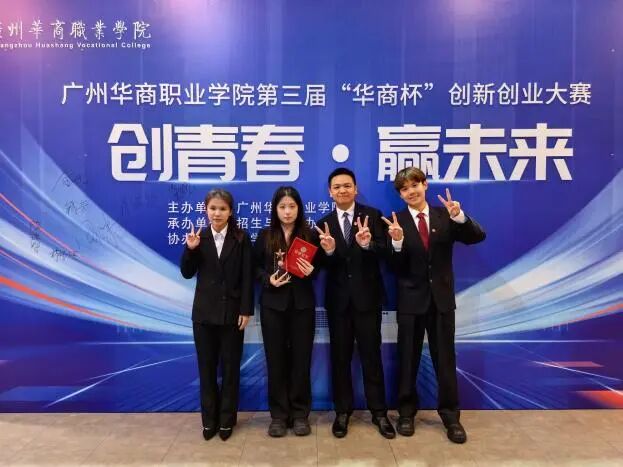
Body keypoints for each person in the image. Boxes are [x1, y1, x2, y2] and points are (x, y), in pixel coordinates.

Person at [383, 167, 486, 443]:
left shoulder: (445, 215)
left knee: (445, 360)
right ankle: (406, 414)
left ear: (425, 185)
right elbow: (393, 267)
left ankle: (451, 417)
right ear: (400, 194)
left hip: (441, 301)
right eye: (404, 189)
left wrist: (459, 216)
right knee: (407, 359)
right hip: (410, 302)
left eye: (414, 185)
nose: (410, 192)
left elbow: (477, 236)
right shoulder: (396, 221)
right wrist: (396, 242)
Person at [315, 167, 395, 439]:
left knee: (372, 357)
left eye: (347, 185)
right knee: (340, 359)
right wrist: (328, 252)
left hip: (368, 300)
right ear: (330, 192)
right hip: (338, 303)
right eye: (337, 187)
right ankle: (342, 412)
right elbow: (319, 265)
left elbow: (387, 253)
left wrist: (367, 245)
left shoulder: (372, 216)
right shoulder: (323, 223)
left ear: (356, 189)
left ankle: (379, 413)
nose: (342, 190)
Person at [180, 188, 254, 442]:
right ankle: (209, 421)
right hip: (203, 315)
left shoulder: (241, 238)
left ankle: (226, 420)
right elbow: (187, 273)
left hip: (232, 314)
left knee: (231, 369)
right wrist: (190, 250)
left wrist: (246, 309)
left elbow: (247, 277)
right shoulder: (198, 237)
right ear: (206, 210)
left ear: (230, 211)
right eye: (213, 208)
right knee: (207, 369)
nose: (217, 213)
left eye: (222, 208)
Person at [253, 186, 318, 437]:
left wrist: (313, 271)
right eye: (282, 207)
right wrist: (268, 279)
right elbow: (254, 268)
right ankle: (279, 416)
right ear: (275, 209)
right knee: (276, 360)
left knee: (301, 360)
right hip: (273, 306)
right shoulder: (265, 235)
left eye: (292, 206)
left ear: (299, 208)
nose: (287, 212)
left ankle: (300, 414)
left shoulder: (310, 235)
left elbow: (322, 266)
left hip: (302, 306)